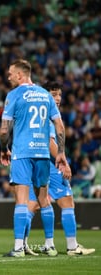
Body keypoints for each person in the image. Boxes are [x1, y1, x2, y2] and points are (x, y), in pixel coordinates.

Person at [0, 59, 71, 258]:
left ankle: (18, 248)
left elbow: (5, 130)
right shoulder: (44, 95)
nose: (8, 77)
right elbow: (60, 126)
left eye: (11, 73)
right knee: (44, 199)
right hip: (42, 153)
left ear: (20, 75)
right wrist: (62, 153)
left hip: (22, 152)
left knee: (21, 200)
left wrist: (4, 147)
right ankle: (50, 245)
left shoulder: (13, 95)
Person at [23, 81, 95, 256]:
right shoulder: (47, 113)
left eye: (59, 94)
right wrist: (63, 163)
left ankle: (25, 244)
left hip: (35, 162)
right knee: (67, 202)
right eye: (53, 94)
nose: (57, 98)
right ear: (44, 95)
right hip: (51, 164)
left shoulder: (37, 112)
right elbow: (50, 142)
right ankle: (72, 246)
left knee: (33, 205)